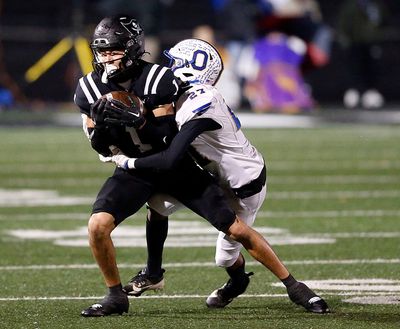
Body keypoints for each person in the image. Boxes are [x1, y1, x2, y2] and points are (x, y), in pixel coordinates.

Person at [107, 38, 330, 313]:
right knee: (158, 204)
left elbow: (170, 156)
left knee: (226, 255)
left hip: (245, 185)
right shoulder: (183, 96)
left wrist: (126, 161)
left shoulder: (202, 102)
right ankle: (153, 273)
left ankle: (291, 289)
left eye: (173, 64)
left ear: (187, 69)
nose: (167, 69)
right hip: (213, 175)